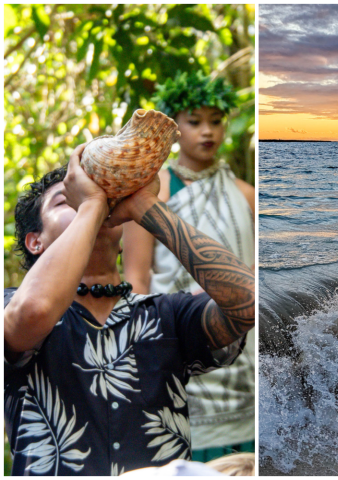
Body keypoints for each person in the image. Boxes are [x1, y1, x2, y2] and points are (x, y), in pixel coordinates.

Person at [4, 147, 255, 475]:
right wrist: (93, 206)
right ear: (34, 242)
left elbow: (247, 301)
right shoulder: (10, 305)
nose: (88, 203)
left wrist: (145, 206)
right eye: (67, 202)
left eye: (102, 199)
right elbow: (35, 311)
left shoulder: (167, 313)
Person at [122, 71, 255, 461]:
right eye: (194, 121)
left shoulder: (246, 194)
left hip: (239, 353)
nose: (207, 131)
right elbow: (137, 279)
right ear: (174, 127)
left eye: (216, 120)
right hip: (175, 343)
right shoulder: (149, 193)